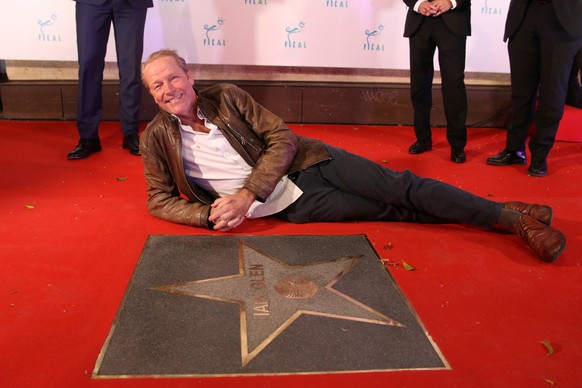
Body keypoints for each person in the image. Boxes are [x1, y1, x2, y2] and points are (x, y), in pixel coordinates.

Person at [139, 49, 566, 263]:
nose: (168, 90)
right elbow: (158, 199)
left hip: (312, 162)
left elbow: (282, 138)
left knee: (405, 187)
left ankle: (513, 221)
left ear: (190, 76)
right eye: (157, 86)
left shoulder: (227, 97)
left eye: (173, 78)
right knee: (392, 210)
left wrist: (247, 195)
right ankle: (499, 210)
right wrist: (207, 215)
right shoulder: (156, 138)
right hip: (291, 207)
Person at [486, 0, 582, 176]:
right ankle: (514, 149)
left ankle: (540, 154)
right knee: (521, 91)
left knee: (552, 93)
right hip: (523, 15)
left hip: (562, 19)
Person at [67, 0, 153, 160]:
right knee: (88, 68)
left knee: (131, 69)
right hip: (91, 4)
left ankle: (131, 134)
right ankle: (88, 137)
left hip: (132, 5)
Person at [403, 0, 471, 163]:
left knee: (453, 84)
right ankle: (423, 138)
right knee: (419, 83)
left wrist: (450, 2)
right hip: (419, 20)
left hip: (453, 19)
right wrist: (418, 3)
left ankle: (457, 144)